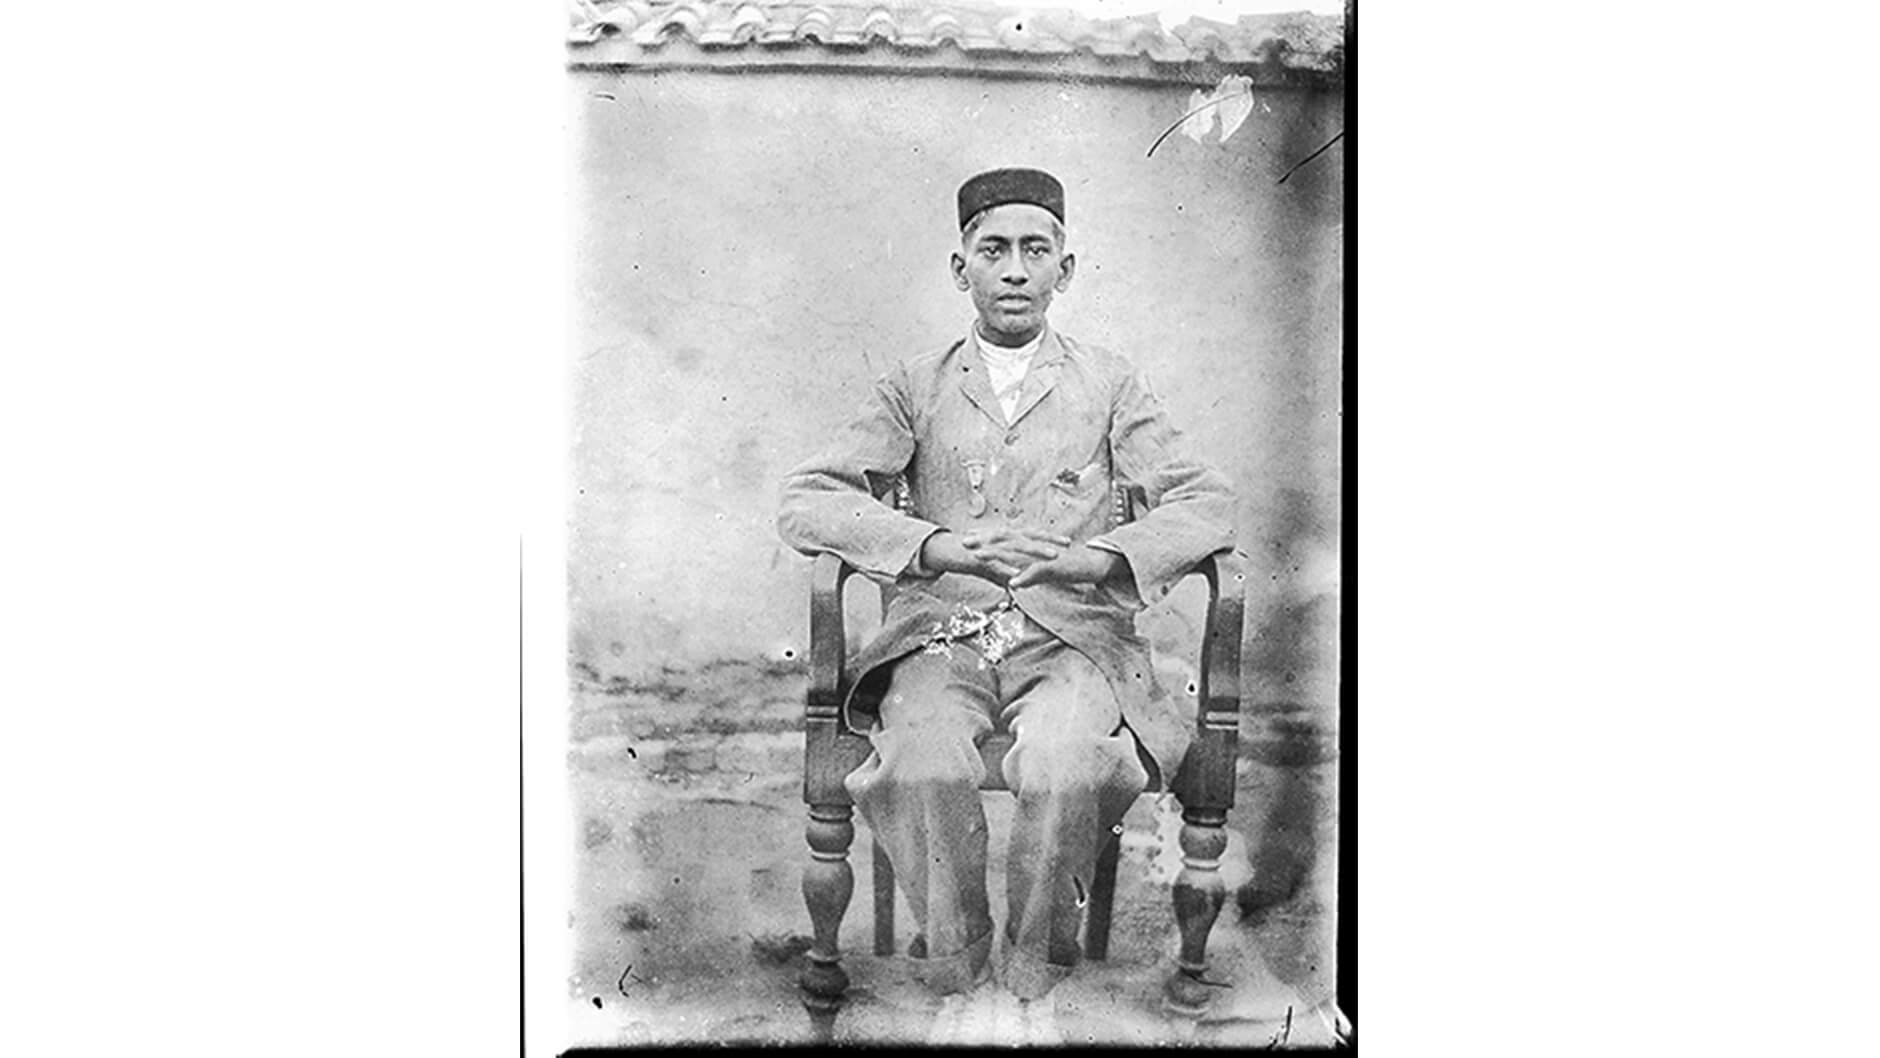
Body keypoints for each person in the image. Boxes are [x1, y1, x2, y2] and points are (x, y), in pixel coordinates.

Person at [776, 167, 1235, 1035]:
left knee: (1067, 760)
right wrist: (932, 547)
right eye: (994, 251)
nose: (1016, 270)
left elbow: (1206, 501)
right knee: (922, 760)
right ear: (961, 271)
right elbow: (807, 498)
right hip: (942, 636)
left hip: (1072, 641)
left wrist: (1103, 556)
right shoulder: (915, 383)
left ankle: (1029, 981)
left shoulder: (1109, 382)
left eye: (1036, 249)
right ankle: (963, 973)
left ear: (1069, 265)